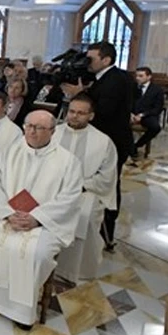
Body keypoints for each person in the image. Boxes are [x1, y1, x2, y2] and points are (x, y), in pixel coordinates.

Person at [0, 110, 82, 330]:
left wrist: (37, 218)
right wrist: (7, 213)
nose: (32, 132)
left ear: (53, 132)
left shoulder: (68, 162)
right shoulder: (9, 153)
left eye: (39, 128)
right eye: (29, 126)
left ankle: (21, 310)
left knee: (36, 253)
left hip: (44, 223)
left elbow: (70, 199)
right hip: (6, 216)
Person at [61, 41, 134, 252]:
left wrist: (80, 94)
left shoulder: (116, 79)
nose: (87, 62)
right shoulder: (104, 78)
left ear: (106, 59)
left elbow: (104, 110)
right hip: (99, 139)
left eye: (91, 58)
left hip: (113, 140)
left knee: (110, 184)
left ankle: (106, 232)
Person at [53, 95, 117, 284]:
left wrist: (79, 184)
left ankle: (72, 270)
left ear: (91, 116)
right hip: (50, 189)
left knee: (84, 217)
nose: (74, 116)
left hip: (85, 192)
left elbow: (106, 178)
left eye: (81, 113)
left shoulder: (103, 142)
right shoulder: (52, 133)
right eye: (71, 111)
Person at [132, 66, 164, 158]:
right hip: (132, 114)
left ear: (149, 77)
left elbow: (157, 108)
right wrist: (131, 114)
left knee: (155, 127)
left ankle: (137, 145)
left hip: (147, 115)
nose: (137, 78)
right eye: (136, 76)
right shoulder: (132, 86)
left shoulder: (157, 90)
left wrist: (142, 115)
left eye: (141, 76)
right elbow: (127, 101)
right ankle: (128, 146)